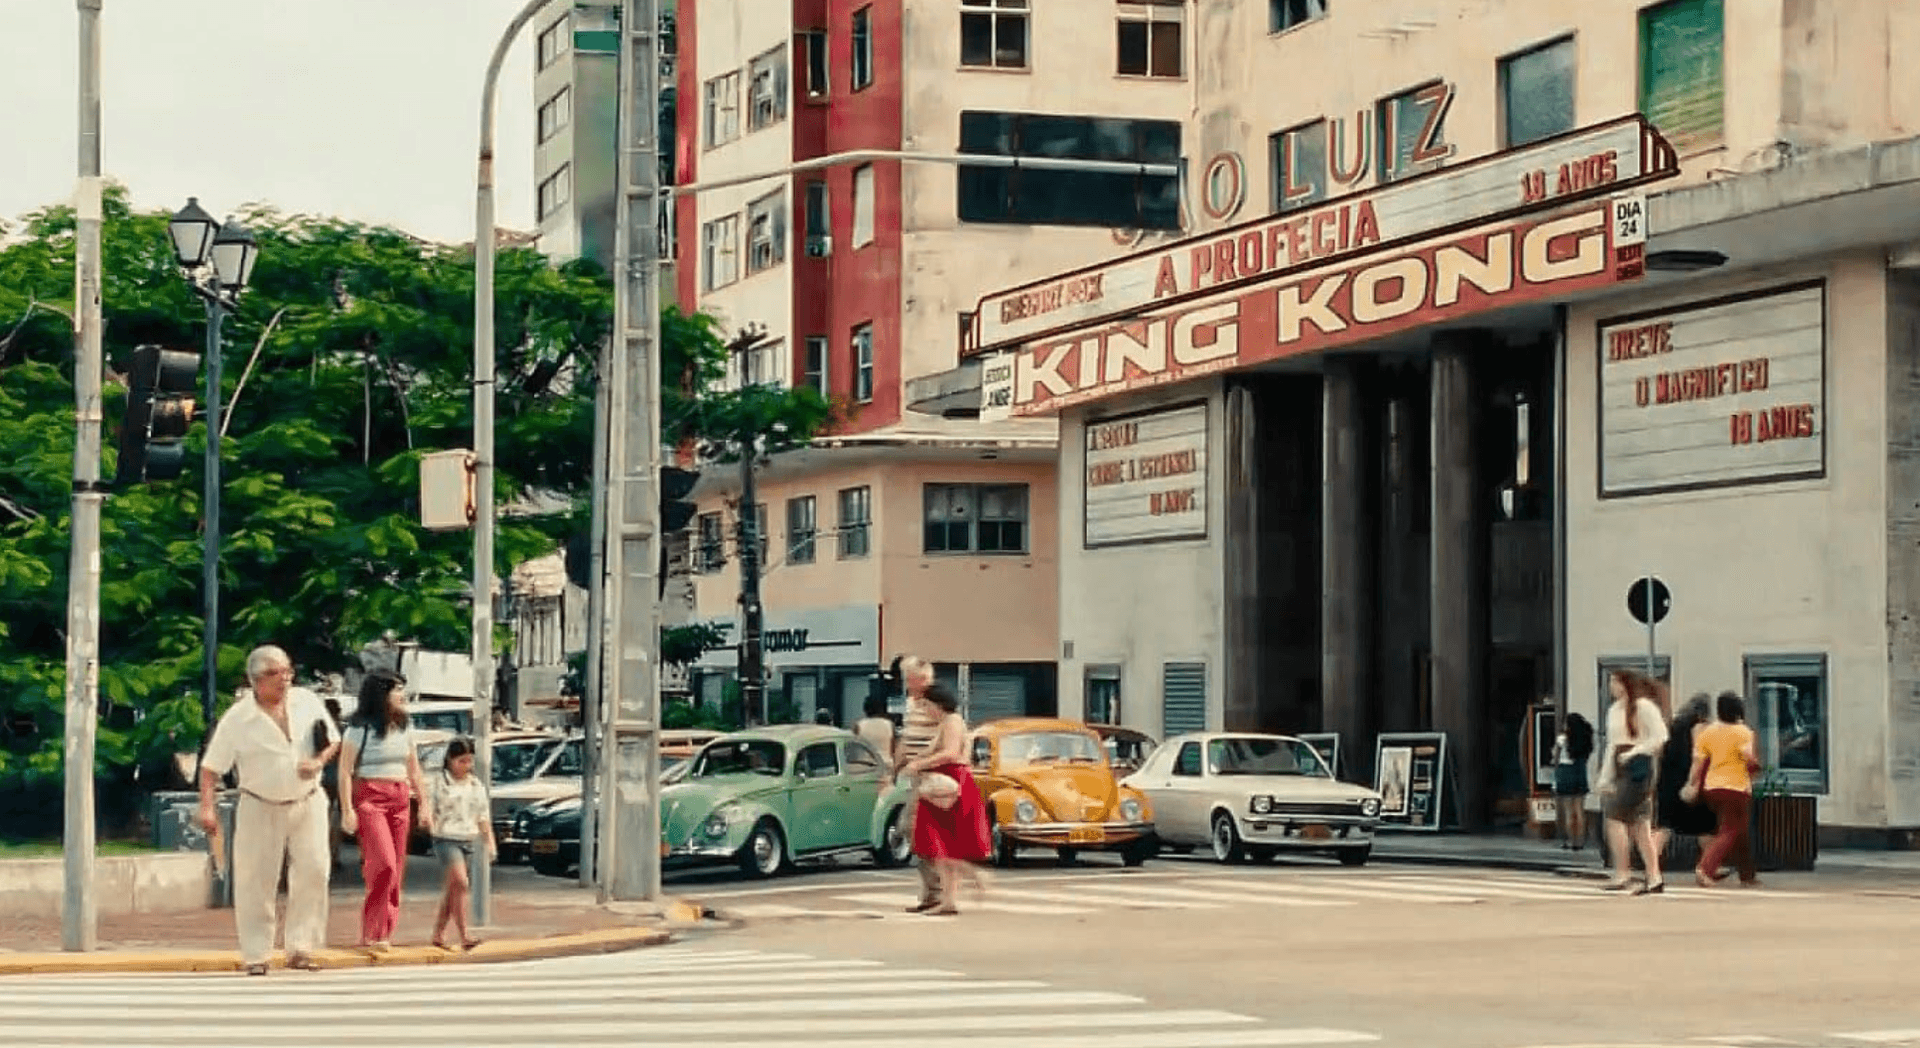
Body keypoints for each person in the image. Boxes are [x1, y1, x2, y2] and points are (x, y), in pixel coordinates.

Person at [196, 645, 339, 975]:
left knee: (315, 870)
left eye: (288, 671)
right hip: (260, 803)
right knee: (256, 879)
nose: (285, 679)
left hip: (308, 797)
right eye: (276, 673)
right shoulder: (239, 718)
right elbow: (211, 767)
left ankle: (302, 946)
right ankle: (257, 953)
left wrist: (318, 761)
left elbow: (333, 739)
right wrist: (208, 808)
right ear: (256, 680)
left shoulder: (306, 701)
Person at [338, 668, 429, 952]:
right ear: (381, 693)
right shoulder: (359, 727)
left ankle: (384, 932)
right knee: (384, 865)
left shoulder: (404, 725)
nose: (402, 695)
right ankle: (372, 932)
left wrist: (424, 803)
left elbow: (414, 767)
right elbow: (344, 770)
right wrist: (347, 810)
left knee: (397, 868)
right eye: (396, 689)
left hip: (400, 796)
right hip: (370, 796)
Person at [899, 681, 991, 915]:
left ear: (937, 704)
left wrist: (920, 763)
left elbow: (950, 753)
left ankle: (971, 878)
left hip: (948, 785)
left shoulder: (951, 722)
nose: (926, 710)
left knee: (939, 843)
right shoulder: (947, 722)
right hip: (945, 783)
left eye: (927, 705)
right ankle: (949, 900)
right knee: (942, 845)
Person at [1597, 669, 1669, 895]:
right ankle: (1654, 876)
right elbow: (1611, 744)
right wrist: (1605, 775)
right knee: (1640, 825)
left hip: (1638, 767)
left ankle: (1623, 872)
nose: (1612, 687)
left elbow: (1660, 736)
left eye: (1615, 683)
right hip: (1620, 763)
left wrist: (1636, 752)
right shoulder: (1614, 710)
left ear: (1625, 684)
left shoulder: (1644, 707)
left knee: (1614, 818)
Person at [426, 738, 496, 949]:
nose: (466, 766)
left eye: (469, 761)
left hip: (467, 838)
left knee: (453, 888)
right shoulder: (439, 781)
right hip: (445, 838)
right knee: (461, 882)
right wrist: (429, 822)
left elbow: (483, 815)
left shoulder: (476, 785)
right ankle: (464, 934)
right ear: (450, 760)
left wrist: (489, 841)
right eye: (461, 761)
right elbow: (429, 806)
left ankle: (438, 932)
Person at [1690, 691, 1762, 888]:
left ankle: (1747, 875)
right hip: (1736, 787)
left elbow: (1698, 761)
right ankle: (1705, 868)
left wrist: (1692, 783)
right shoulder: (1743, 732)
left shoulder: (1709, 732)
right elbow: (1748, 756)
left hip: (1712, 786)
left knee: (1740, 832)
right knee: (1730, 830)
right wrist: (1756, 765)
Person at [891, 656, 943, 911]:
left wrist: (924, 761)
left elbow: (950, 732)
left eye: (908, 678)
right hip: (917, 776)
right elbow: (907, 738)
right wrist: (895, 766)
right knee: (913, 830)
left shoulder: (934, 703)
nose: (906, 683)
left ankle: (938, 890)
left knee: (913, 828)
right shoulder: (912, 704)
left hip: (931, 776)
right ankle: (934, 891)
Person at [1655, 693, 1718, 860]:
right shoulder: (1700, 727)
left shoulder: (1672, 725)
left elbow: (1660, 751)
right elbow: (1698, 755)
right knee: (1705, 825)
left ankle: (1651, 865)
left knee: (1665, 825)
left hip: (1667, 781)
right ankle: (1709, 866)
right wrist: (1694, 781)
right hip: (1689, 779)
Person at [1552, 712, 1594, 851]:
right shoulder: (1585, 739)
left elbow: (1555, 757)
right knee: (1580, 810)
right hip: (1579, 772)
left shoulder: (1562, 739)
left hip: (1566, 773)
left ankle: (1570, 841)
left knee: (1569, 812)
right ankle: (1580, 842)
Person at [854, 694, 896, 765]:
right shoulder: (889, 724)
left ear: (865, 709)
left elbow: (855, 747)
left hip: (865, 763)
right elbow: (893, 749)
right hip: (886, 764)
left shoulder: (859, 725)